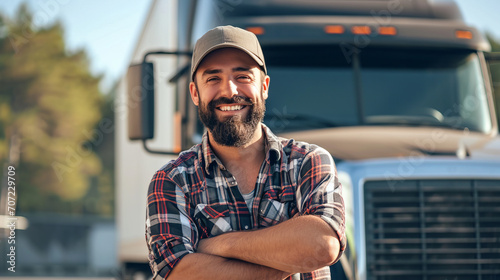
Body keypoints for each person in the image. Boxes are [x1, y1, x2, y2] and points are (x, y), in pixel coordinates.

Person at [145, 25, 345, 280]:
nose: (229, 91)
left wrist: (218, 245)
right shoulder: (172, 181)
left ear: (264, 87)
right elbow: (180, 274)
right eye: (213, 78)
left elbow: (322, 245)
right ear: (195, 93)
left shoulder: (308, 162)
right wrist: (289, 254)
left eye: (243, 77)